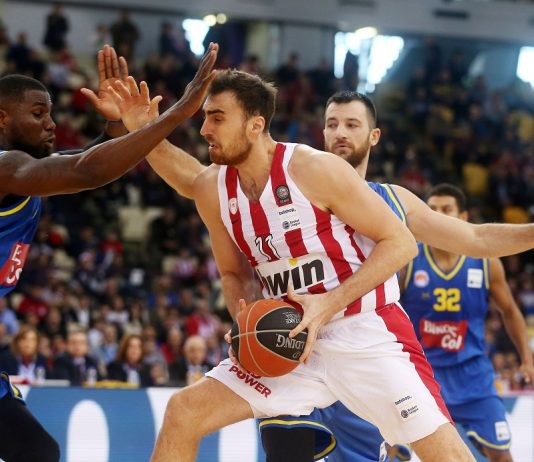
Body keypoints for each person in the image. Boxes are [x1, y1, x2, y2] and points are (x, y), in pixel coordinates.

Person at [112, 71, 534, 461]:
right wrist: (245, 319)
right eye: (333, 123)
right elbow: (229, 265)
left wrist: (326, 305)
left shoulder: (343, 180)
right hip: (290, 341)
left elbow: (450, 240)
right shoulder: (218, 188)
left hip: (365, 334)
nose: (204, 129)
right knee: (185, 411)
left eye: (216, 118)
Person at [0, 43, 218, 462]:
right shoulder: (6, 167)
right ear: (2, 118)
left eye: (50, 112)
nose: (51, 123)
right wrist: (178, 112)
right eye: (38, 113)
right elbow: (88, 170)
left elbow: (84, 157)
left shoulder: (22, 171)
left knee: (37, 451)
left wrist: (118, 126)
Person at [398, 183, 532, 462]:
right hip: (424, 376)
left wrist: (527, 358)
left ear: (463, 217)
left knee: (502, 456)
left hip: (474, 377)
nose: (438, 215)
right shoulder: (407, 259)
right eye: (432, 209)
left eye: (446, 209)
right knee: (398, 452)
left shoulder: (486, 262)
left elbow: (510, 310)